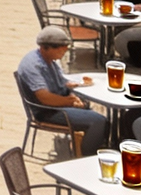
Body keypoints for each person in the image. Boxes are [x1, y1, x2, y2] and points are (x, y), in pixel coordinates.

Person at [17, 26, 108, 155]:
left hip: (58, 103)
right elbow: (44, 98)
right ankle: (86, 156)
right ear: (46, 48)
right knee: (98, 121)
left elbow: (62, 82)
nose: (63, 55)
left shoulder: (50, 59)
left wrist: (73, 95)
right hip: (47, 111)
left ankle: (90, 143)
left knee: (93, 110)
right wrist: (69, 102)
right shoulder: (33, 65)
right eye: (61, 52)